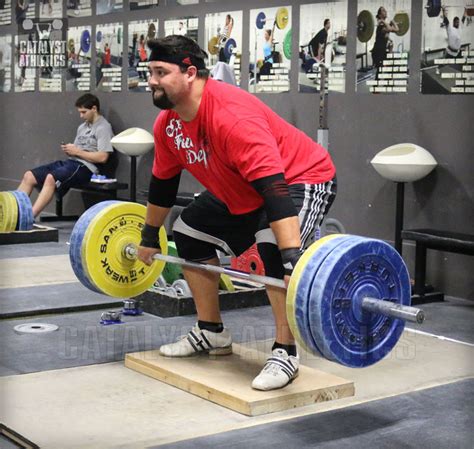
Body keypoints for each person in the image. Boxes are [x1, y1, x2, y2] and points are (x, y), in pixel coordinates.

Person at [138, 35, 337, 391]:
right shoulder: (168, 124)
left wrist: (292, 260)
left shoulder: (230, 117)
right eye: (150, 71)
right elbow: (163, 186)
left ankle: (285, 351)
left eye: (160, 72)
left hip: (301, 177)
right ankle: (211, 331)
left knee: (272, 249)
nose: (151, 80)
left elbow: (274, 190)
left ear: (190, 73)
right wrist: (149, 237)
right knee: (187, 232)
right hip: (244, 188)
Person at [17, 94, 114, 218]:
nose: (81, 116)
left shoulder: (103, 127)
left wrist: (77, 152)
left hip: (87, 168)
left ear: (94, 109)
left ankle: (29, 218)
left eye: (84, 112)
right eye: (80, 112)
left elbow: (103, 157)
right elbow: (77, 151)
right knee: (29, 176)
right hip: (71, 162)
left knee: (51, 178)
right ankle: (14, 213)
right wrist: (70, 150)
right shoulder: (82, 127)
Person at [371, 6, 399, 79]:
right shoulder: (382, 25)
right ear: (380, 15)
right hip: (377, 51)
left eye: (385, 10)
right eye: (383, 11)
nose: (385, 11)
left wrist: (389, 39)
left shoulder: (384, 25)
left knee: (390, 63)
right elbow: (393, 29)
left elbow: (395, 30)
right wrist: (389, 22)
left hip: (382, 50)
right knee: (380, 70)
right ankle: (376, 88)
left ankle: (387, 81)